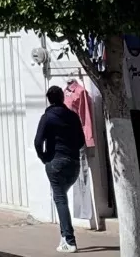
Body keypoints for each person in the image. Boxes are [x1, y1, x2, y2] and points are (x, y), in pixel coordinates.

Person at [35, 85, 86, 253]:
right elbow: (81, 141)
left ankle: (69, 240)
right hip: (74, 164)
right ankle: (65, 237)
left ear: (49, 99)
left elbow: (38, 141)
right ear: (63, 98)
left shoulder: (47, 117)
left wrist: (44, 158)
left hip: (55, 162)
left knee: (60, 199)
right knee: (61, 197)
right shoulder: (73, 116)